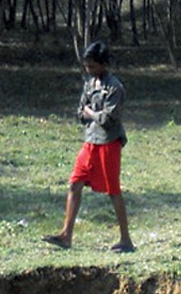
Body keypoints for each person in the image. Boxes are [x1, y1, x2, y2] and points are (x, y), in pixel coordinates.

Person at [43, 40, 132, 252]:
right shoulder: (89, 84)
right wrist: (90, 114)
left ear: (103, 64)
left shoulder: (115, 87)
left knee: (113, 190)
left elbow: (108, 118)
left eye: (92, 66)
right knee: (75, 183)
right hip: (90, 140)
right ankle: (66, 235)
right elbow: (80, 113)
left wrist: (91, 113)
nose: (88, 70)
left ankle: (126, 240)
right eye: (86, 65)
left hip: (109, 143)